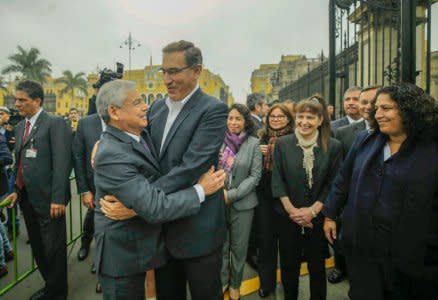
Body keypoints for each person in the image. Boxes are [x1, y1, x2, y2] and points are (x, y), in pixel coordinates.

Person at [100, 40, 229, 300]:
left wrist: (139, 205)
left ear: (197, 70)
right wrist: (100, 143)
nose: (167, 79)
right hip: (159, 232)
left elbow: (189, 168)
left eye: (174, 71)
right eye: (164, 71)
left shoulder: (213, 110)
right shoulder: (156, 108)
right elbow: (133, 143)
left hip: (198, 231)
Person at [323, 83, 438, 300]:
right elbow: (343, 180)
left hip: (412, 257)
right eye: (377, 109)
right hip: (364, 248)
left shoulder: (431, 148)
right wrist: (330, 214)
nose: (378, 114)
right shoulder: (365, 140)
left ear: (409, 108)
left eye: (386, 108)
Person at [5, 80, 72, 300]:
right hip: (27, 200)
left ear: (37, 101)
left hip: (50, 201)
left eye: (22, 100)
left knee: (53, 251)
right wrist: (15, 188)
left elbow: (62, 163)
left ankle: (58, 293)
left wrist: (58, 198)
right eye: (16, 99)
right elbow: (20, 162)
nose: (17, 104)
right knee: (39, 248)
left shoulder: (55, 123)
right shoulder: (19, 126)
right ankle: (50, 286)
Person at [272, 95, 342, 300]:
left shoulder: (333, 146)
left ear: (321, 120)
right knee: (288, 265)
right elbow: (277, 180)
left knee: (317, 266)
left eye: (311, 117)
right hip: (288, 217)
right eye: (300, 116)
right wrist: (292, 211)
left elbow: (334, 182)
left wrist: (313, 211)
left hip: (318, 218)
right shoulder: (283, 144)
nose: (304, 122)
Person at [328, 85, 380, 284]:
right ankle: (341, 267)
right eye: (363, 102)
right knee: (344, 239)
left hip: (378, 204)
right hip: (350, 198)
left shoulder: (394, 134)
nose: (367, 107)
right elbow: (340, 171)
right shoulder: (346, 132)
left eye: (372, 102)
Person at [220, 104, 262, 300]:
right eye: (230, 118)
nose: (233, 122)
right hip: (218, 203)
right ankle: (222, 282)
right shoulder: (218, 141)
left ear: (245, 121)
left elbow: (255, 176)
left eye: (238, 119)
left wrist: (232, 195)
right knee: (221, 246)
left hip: (243, 205)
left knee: (238, 248)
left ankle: (235, 284)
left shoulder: (253, 143)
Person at [255, 103, 294, 298]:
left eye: (281, 116)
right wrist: (258, 155)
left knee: (288, 245)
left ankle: (288, 284)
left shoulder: (295, 138)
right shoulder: (260, 138)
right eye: (273, 116)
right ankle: (266, 283)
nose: (276, 119)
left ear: (288, 119)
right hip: (265, 198)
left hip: (287, 199)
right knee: (266, 243)